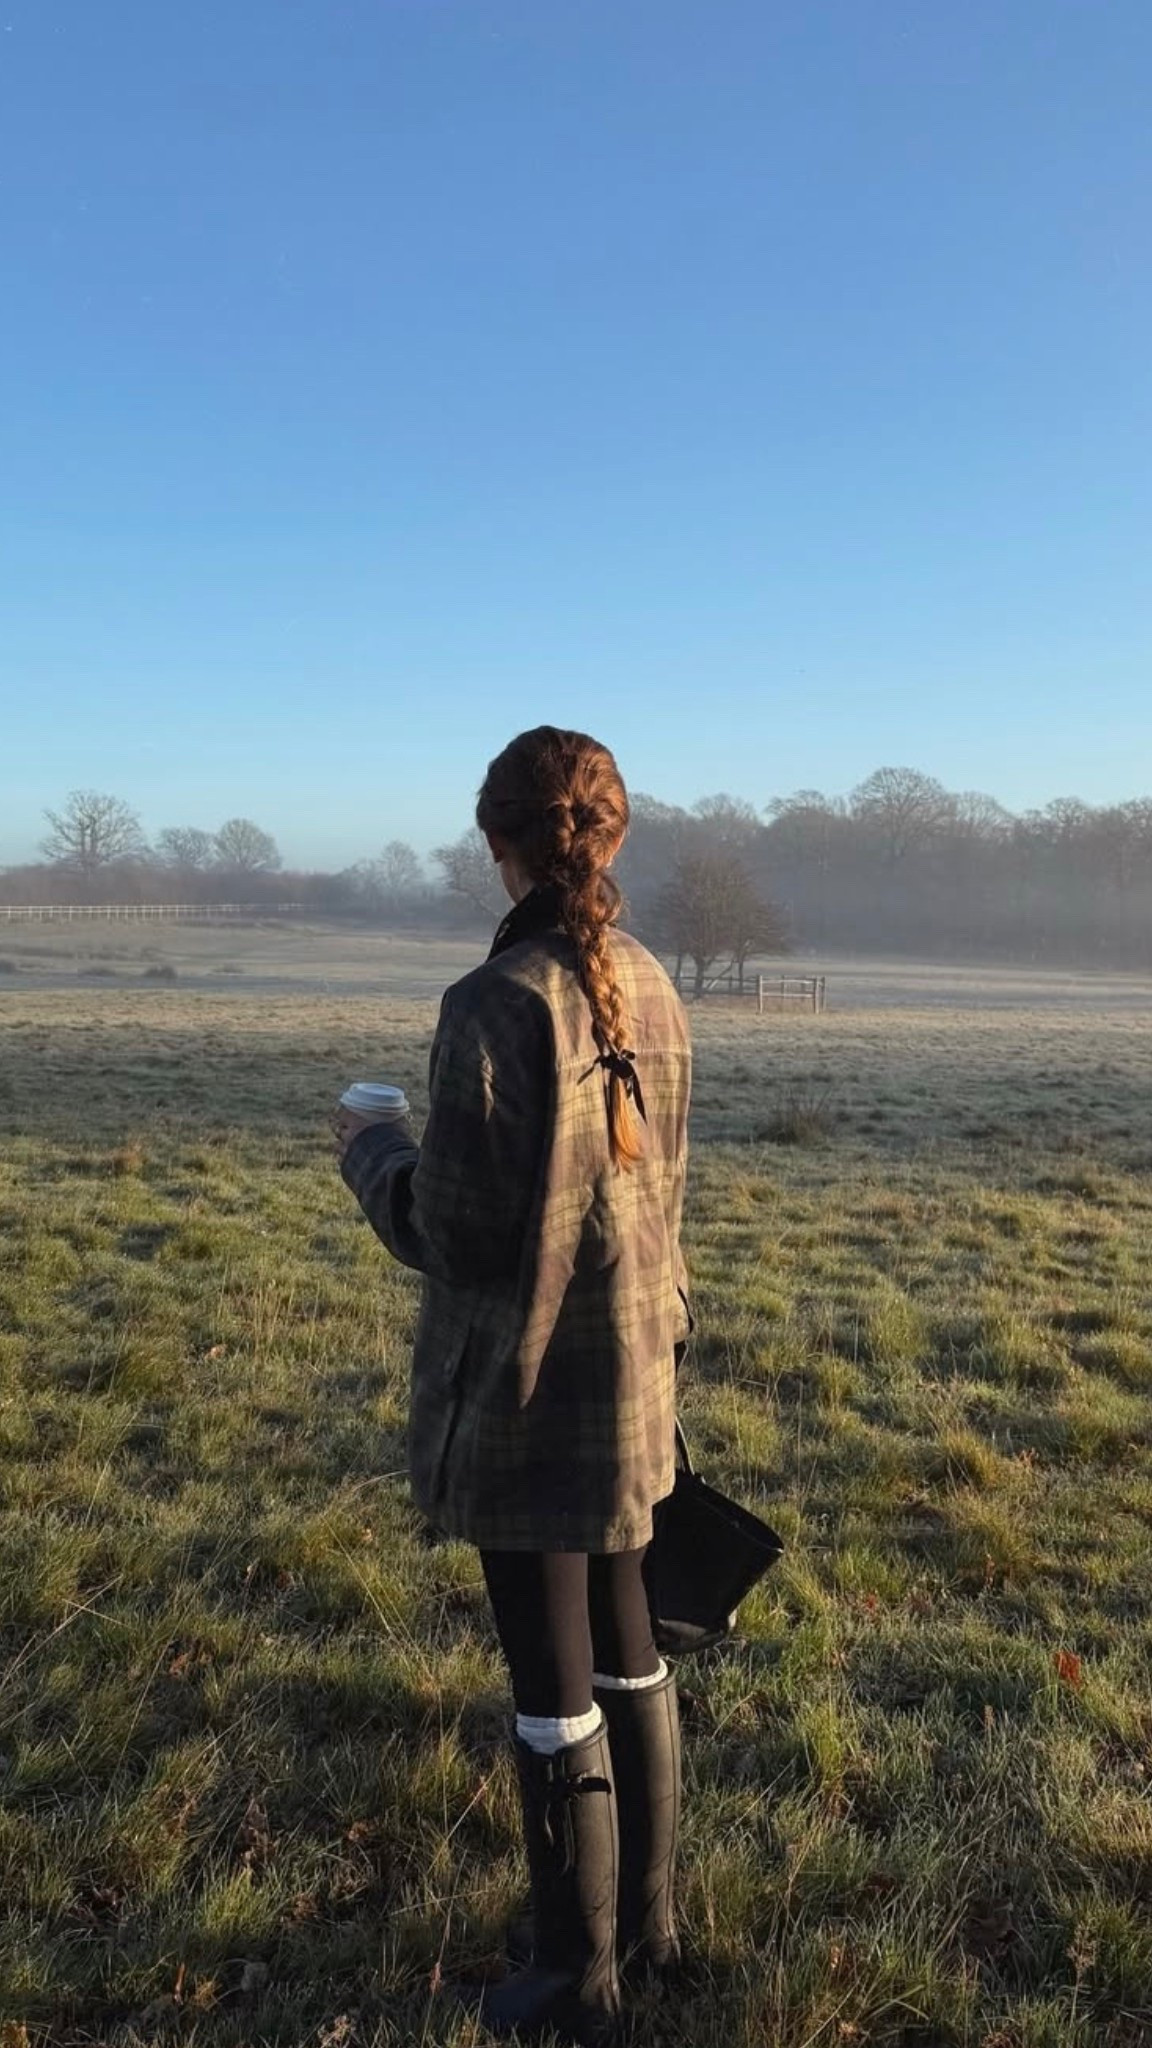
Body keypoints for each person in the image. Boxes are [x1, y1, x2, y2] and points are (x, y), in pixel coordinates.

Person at [336, 726, 692, 2047]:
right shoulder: (651, 980)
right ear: (610, 835)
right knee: (632, 1647)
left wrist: (372, 1152)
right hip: (636, 1376)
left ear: (499, 846)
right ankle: (650, 1929)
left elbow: (460, 1232)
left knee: (553, 1684)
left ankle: (572, 1977)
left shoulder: (492, 1005)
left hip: (531, 1394)